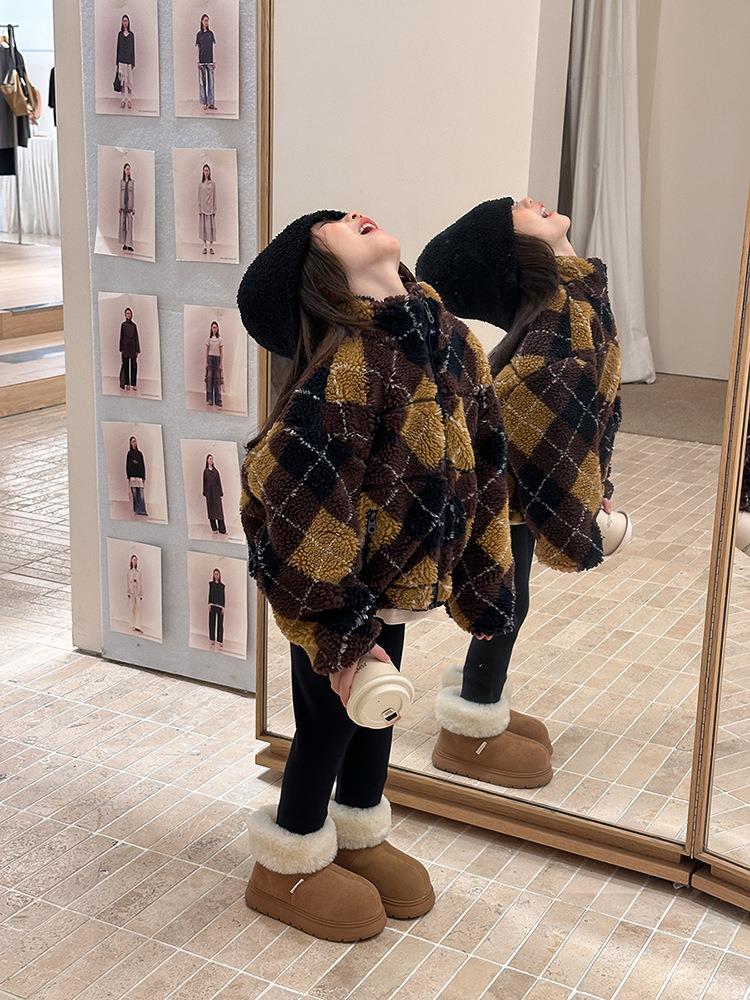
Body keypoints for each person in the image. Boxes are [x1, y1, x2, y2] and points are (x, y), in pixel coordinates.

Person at [237, 209, 518, 942]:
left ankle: (358, 832)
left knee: (377, 713)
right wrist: (339, 631)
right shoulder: (353, 359)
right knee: (328, 721)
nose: (351, 214)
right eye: (329, 223)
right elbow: (290, 487)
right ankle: (290, 853)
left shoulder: (452, 341)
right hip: (331, 588)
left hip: (396, 587)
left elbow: (487, 463)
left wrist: (485, 580)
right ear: (317, 273)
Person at [416, 196, 625, 788]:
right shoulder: (561, 322)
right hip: (505, 484)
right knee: (506, 597)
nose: (531, 200)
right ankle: (471, 724)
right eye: (518, 212)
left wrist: (597, 481)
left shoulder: (576, 298)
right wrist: (580, 508)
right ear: (515, 254)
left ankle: (480, 697)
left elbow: (594, 410)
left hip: (514, 480)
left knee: (509, 593)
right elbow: (548, 431)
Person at [195, 13, 217, 112]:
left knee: (211, 83)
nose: (206, 22)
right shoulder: (199, 34)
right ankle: (204, 103)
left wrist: (214, 61)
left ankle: (211, 103)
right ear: (201, 21)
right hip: (202, 62)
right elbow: (197, 48)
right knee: (202, 84)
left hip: (210, 61)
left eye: (208, 20)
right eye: (205, 20)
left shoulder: (211, 34)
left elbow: (214, 47)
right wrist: (197, 61)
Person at [203, 454, 226, 534]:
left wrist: (220, 493)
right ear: (207, 460)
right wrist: (205, 493)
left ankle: (222, 530)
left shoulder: (216, 471)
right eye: (210, 459)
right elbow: (204, 483)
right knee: (211, 511)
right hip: (209, 494)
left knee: (219, 511)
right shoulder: (205, 472)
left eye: (212, 459)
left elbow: (219, 482)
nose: (211, 460)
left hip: (216, 493)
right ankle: (214, 529)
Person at [116, 14, 135, 111]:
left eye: (126, 21)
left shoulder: (131, 35)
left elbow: (133, 49)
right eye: (123, 21)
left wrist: (133, 62)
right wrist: (117, 62)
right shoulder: (120, 34)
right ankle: (123, 100)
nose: (125, 23)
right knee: (122, 82)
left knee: (129, 81)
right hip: (121, 61)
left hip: (129, 61)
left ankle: (130, 100)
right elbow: (118, 48)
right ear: (122, 22)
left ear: (128, 22)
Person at [119, 307, 140, 391]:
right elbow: (121, 336)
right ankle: (127, 383)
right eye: (127, 313)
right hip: (125, 347)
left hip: (133, 347)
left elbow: (136, 338)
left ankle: (134, 384)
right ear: (125, 314)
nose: (128, 315)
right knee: (126, 366)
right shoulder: (123, 325)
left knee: (134, 366)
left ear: (131, 315)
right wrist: (121, 348)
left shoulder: (134, 326)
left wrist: (137, 349)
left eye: (129, 313)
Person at [126, 435, 147, 516]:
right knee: (134, 494)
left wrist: (143, 476)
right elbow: (128, 465)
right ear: (130, 443)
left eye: (135, 441)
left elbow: (142, 465)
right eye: (133, 441)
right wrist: (129, 476)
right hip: (132, 477)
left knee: (141, 494)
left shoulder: (140, 454)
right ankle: (137, 510)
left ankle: (142, 510)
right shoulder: (129, 454)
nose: (135, 443)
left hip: (139, 477)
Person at [198, 163, 216, 256]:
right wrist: (199, 209)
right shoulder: (201, 184)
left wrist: (214, 209)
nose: (206, 172)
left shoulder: (212, 184)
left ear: (209, 172)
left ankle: (211, 247)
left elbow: (214, 196)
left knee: (211, 228)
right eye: (205, 170)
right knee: (204, 228)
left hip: (211, 209)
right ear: (203, 172)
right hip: (203, 209)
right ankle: (204, 247)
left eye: (207, 170)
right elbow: (199, 197)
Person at [205, 321, 223, 406]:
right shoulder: (208, 339)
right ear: (211, 329)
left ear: (217, 328)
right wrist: (206, 362)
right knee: (209, 379)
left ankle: (218, 400)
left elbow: (221, 352)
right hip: (210, 359)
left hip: (217, 359)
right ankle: (210, 400)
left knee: (217, 380)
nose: (214, 329)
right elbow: (206, 351)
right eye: (213, 327)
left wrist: (221, 363)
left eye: (215, 327)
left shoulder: (220, 339)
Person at [119, 163, 135, 253]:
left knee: (129, 226)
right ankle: (124, 244)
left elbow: (133, 195)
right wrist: (119, 206)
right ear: (124, 170)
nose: (128, 171)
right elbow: (120, 194)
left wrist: (133, 207)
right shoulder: (121, 182)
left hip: (129, 207)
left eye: (129, 169)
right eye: (127, 169)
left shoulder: (132, 182)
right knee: (123, 225)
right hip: (122, 207)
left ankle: (129, 245)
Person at [208, 568, 224, 648]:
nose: (216, 575)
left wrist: (223, 607)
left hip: (220, 606)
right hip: (212, 605)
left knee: (220, 624)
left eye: (217, 574)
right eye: (215, 574)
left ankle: (220, 641)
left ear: (219, 575)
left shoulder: (222, 586)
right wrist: (209, 604)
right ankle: (212, 639)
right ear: (213, 575)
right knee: (212, 622)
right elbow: (210, 594)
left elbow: (223, 596)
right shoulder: (211, 584)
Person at [127, 554, 143, 633]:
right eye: (133, 560)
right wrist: (129, 592)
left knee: (138, 608)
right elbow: (128, 582)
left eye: (136, 560)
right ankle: (132, 625)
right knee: (131, 608)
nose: (135, 561)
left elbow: (140, 583)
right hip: (131, 592)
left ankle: (137, 626)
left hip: (137, 592)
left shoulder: (138, 572)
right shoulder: (129, 572)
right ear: (131, 561)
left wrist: (141, 593)